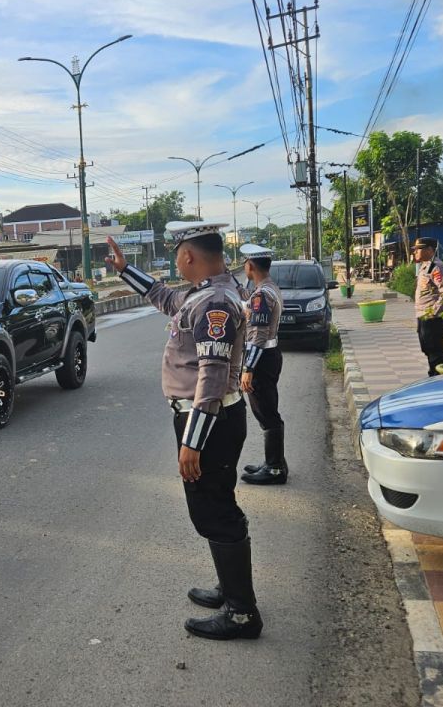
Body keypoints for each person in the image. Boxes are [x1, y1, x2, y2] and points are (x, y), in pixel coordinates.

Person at [106, 221, 262, 641]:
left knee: (214, 512)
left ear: (188, 256)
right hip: (211, 419)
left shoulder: (214, 303)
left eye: (178, 253)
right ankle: (230, 590)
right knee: (215, 506)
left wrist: (192, 442)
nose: (176, 260)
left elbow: (211, 378)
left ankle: (242, 613)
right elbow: (167, 299)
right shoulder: (208, 292)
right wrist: (125, 269)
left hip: (208, 421)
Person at [236, 243, 287, 486]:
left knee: (266, 413)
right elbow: (249, 302)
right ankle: (274, 461)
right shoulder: (268, 289)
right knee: (269, 410)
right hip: (270, 355)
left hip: (262, 359)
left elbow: (257, 334)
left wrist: (248, 369)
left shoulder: (262, 295)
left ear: (250, 265)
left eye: (245, 263)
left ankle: (275, 468)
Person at [413, 237, 443, 376]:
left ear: (429, 250)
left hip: (432, 318)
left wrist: (434, 312)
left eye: (419, 249)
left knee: (435, 350)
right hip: (423, 316)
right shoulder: (425, 266)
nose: (415, 252)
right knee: (427, 348)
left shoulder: (436, 267)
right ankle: (433, 373)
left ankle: (438, 377)